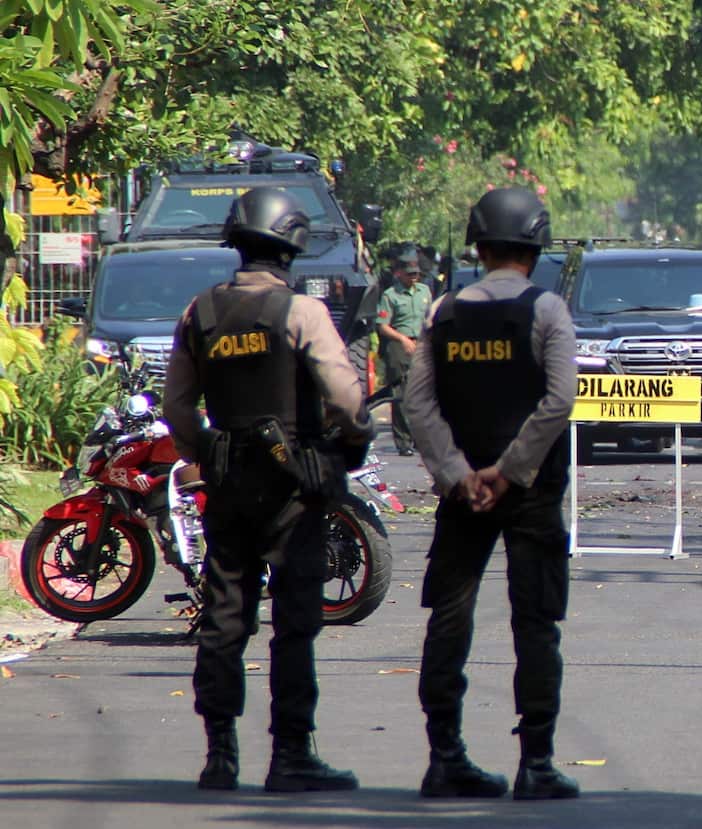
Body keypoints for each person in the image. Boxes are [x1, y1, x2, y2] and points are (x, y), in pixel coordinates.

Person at [164, 187, 374, 793]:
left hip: (228, 485)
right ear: (294, 246)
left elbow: (178, 406)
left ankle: (219, 756)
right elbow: (343, 398)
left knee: (225, 618)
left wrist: (209, 451)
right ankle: (290, 755)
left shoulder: (199, 312)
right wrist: (351, 438)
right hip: (293, 488)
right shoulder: (301, 313)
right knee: (296, 621)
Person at [404, 187, 580, 801]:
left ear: (478, 246)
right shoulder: (548, 312)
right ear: (535, 247)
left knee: (449, 619)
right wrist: (510, 471)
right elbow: (559, 400)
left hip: (462, 495)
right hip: (529, 490)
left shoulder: (444, 312)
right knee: (536, 623)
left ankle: (444, 758)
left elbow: (416, 404)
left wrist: (460, 474)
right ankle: (537, 765)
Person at [377, 248, 433, 455]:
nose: (414, 278)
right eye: (409, 274)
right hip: (399, 345)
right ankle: (404, 442)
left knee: (423, 394)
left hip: (421, 344)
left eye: (416, 274)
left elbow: (430, 318)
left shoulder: (425, 292)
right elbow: (383, 325)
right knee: (401, 395)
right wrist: (402, 339)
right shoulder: (390, 296)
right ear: (398, 273)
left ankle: (421, 439)